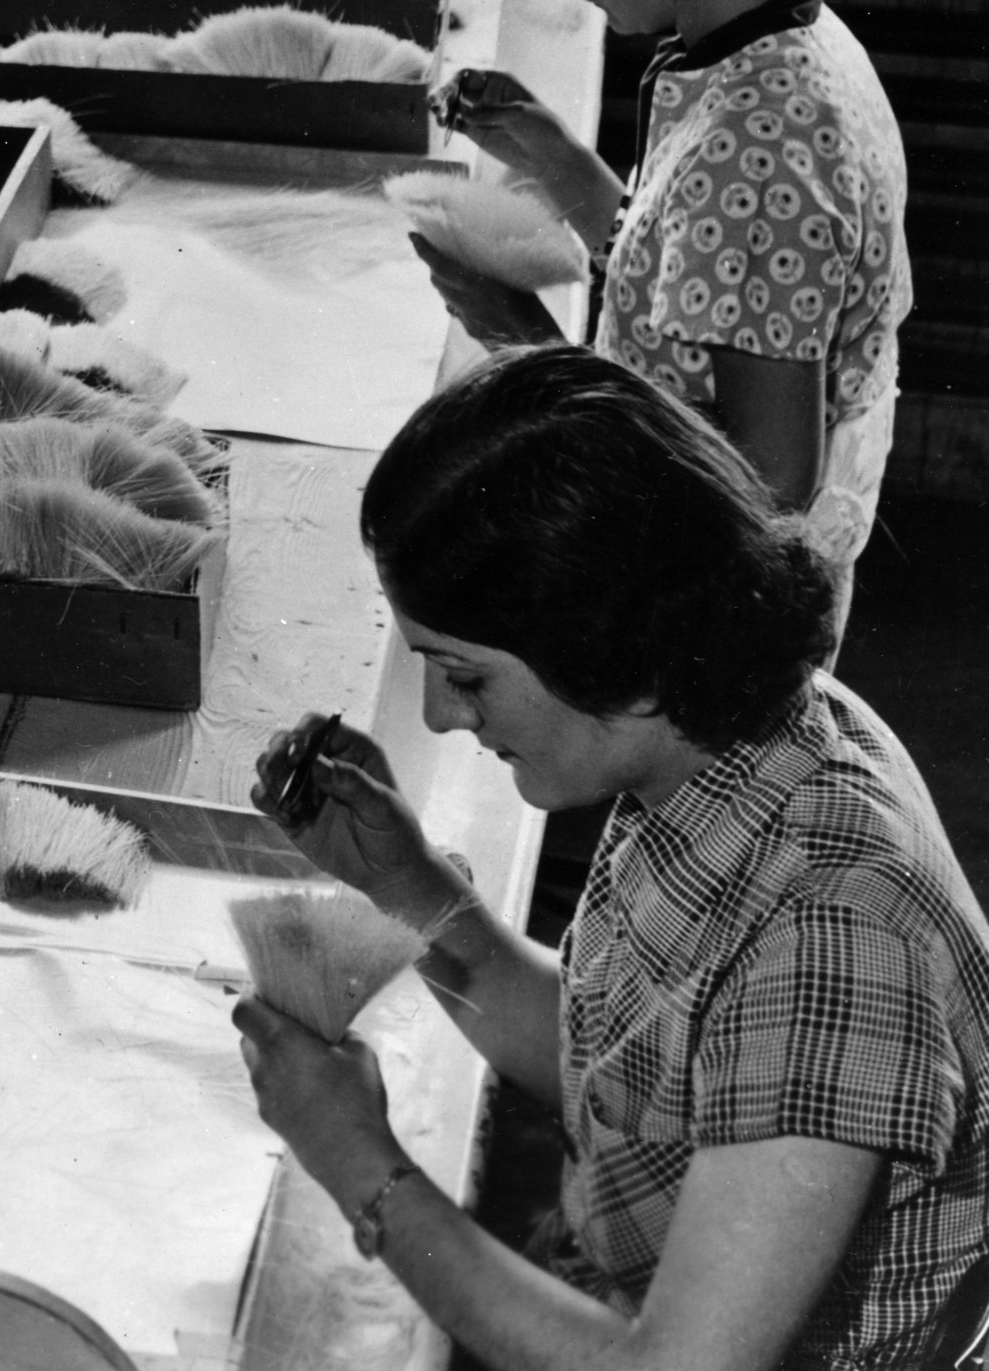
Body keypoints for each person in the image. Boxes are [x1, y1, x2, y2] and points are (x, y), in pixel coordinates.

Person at [237, 347, 989, 1371]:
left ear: (613, 650)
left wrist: (362, 1168)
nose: (436, 716)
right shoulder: (720, 749)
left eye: (465, 675)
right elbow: (618, 1066)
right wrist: (405, 887)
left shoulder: (834, 935)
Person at [434, 0, 911, 589]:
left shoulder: (765, 147)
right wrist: (548, 149)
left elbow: (761, 493)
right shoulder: (771, 34)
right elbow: (693, 273)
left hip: (712, 584)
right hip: (691, 520)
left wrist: (526, 347)